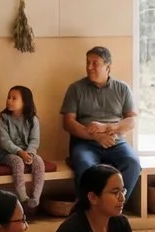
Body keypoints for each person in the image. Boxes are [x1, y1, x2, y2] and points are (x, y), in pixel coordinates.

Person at [60, 46, 142, 206]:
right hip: (85, 144)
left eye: (95, 63)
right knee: (86, 166)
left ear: (108, 67)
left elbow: (131, 120)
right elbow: (68, 123)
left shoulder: (122, 88)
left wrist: (106, 128)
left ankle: (115, 207)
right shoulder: (76, 89)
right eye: (87, 63)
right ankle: (89, 210)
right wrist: (96, 136)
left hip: (116, 143)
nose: (89, 67)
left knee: (133, 163)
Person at [0, 85, 46, 212]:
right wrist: (19, 152)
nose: (9, 101)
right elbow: (5, 141)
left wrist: (30, 154)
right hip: (8, 154)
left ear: (25, 102)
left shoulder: (33, 120)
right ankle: (22, 196)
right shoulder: (4, 119)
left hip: (28, 152)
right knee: (17, 162)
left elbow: (35, 140)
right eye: (8, 97)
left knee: (39, 161)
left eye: (14, 98)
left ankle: (36, 197)